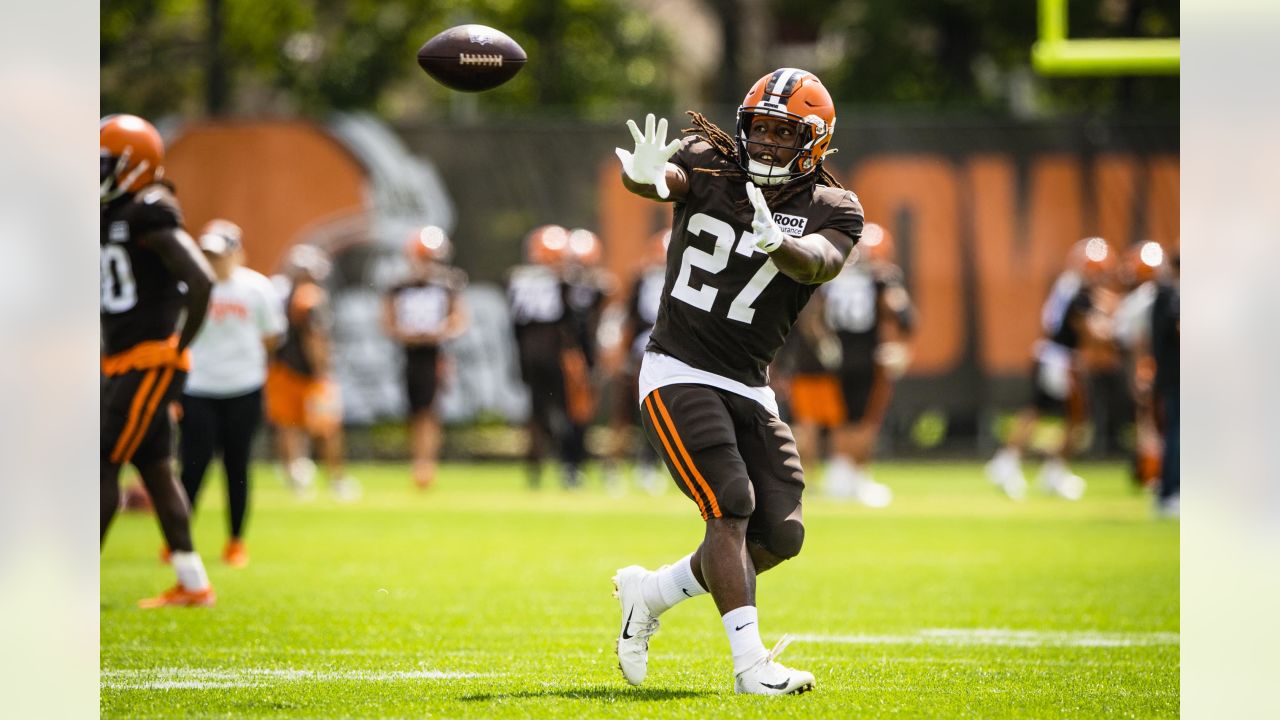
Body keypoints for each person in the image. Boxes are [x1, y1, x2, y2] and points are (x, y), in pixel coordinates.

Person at [611, 68, 863, 695]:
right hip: (677, 367)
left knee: (780, 532)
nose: (771, 143)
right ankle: (752, 668)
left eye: (786, 132)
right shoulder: (712, 163)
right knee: (730, 502)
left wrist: (781, 244)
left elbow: (820, 265)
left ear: (816, 140)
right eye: (763, 129)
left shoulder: (833, 207)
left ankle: (653, 592)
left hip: (749, 383)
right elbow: (659, 179)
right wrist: (641, 176)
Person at [100, 114, 217, 607]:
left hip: (149, 359)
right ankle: (193, 584)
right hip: (123, 360)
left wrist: (177, 344)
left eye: (103, 163)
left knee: (98, 461)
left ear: (133, 165)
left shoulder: (150, 208)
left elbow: (202, 280)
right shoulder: (110, 213)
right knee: (154, 467)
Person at [177, 219, 286, 568]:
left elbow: (271, 337)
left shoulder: (257, 289)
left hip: (243, 388)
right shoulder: (189, 286)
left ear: (238, 253)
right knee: (192, 467)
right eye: (207, 254)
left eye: (220, 254)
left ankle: (236, 541)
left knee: (237, 466)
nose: (214, 261)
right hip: (198, 387)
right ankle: (178, 542)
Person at [985, 236, 1118, 501]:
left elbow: (1095, 306)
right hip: (1062, 359)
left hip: (1051, 355)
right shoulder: (1078, 292)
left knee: (1040, 412)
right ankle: (1045, 469)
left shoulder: (1069, 285)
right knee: (1074, 420)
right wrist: (1118, 331)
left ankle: (1015, 463)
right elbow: (1091, 330)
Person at [803, 222, 915, 505]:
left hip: (836, 356)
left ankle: (842, 475)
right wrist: (901, 348)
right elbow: (903, 315)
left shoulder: (832, 274)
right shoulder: (882, 278)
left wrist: (824, 342)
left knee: (842, 418)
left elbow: (814, 314)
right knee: (863, 421)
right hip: (867, 356)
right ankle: (855, 477)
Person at [265, 244, 361, 501]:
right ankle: (336, 480)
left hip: (281, 370)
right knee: (327, 430)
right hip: (308, 374)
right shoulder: (310, 297)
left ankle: (296, 476)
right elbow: (314, 339)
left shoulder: (279, 294)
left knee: (289, 426)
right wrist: (322, 371)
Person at [383, 226, 468, 490]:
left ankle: (426, 464)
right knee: (413, 410)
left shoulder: (448, 284)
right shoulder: (399, 286)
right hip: (410, 355)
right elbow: (387, 322)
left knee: (430, 410)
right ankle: (417, 462)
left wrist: (439, 331)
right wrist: (407, 334)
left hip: (436, 354)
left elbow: (459, 320)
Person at [507, 225, 587, 489]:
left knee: (536, 415)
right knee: (566, 413)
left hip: (529, 355)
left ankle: (535, 469)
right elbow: (572, 322)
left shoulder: (518, 279)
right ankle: (569, 467)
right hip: (557, 355)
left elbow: (516, 326)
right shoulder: (563, 282)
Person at [605, 230, 669, 492]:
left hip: (672, 354)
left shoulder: (683, 277)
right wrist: (621, 355)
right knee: (628, 413)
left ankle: (648, 465)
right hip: (643, 352)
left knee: (661, 415)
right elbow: (629, 319)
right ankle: (614, 467)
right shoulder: (642, 280)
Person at [1149, 250, 1179, 517]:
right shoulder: (1170, 296)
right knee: (1177, 434)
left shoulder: (1164, 294)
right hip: (1175, 376)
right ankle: (1170, 492)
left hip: (1170, 375)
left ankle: (1170, 490)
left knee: (1175, 433)